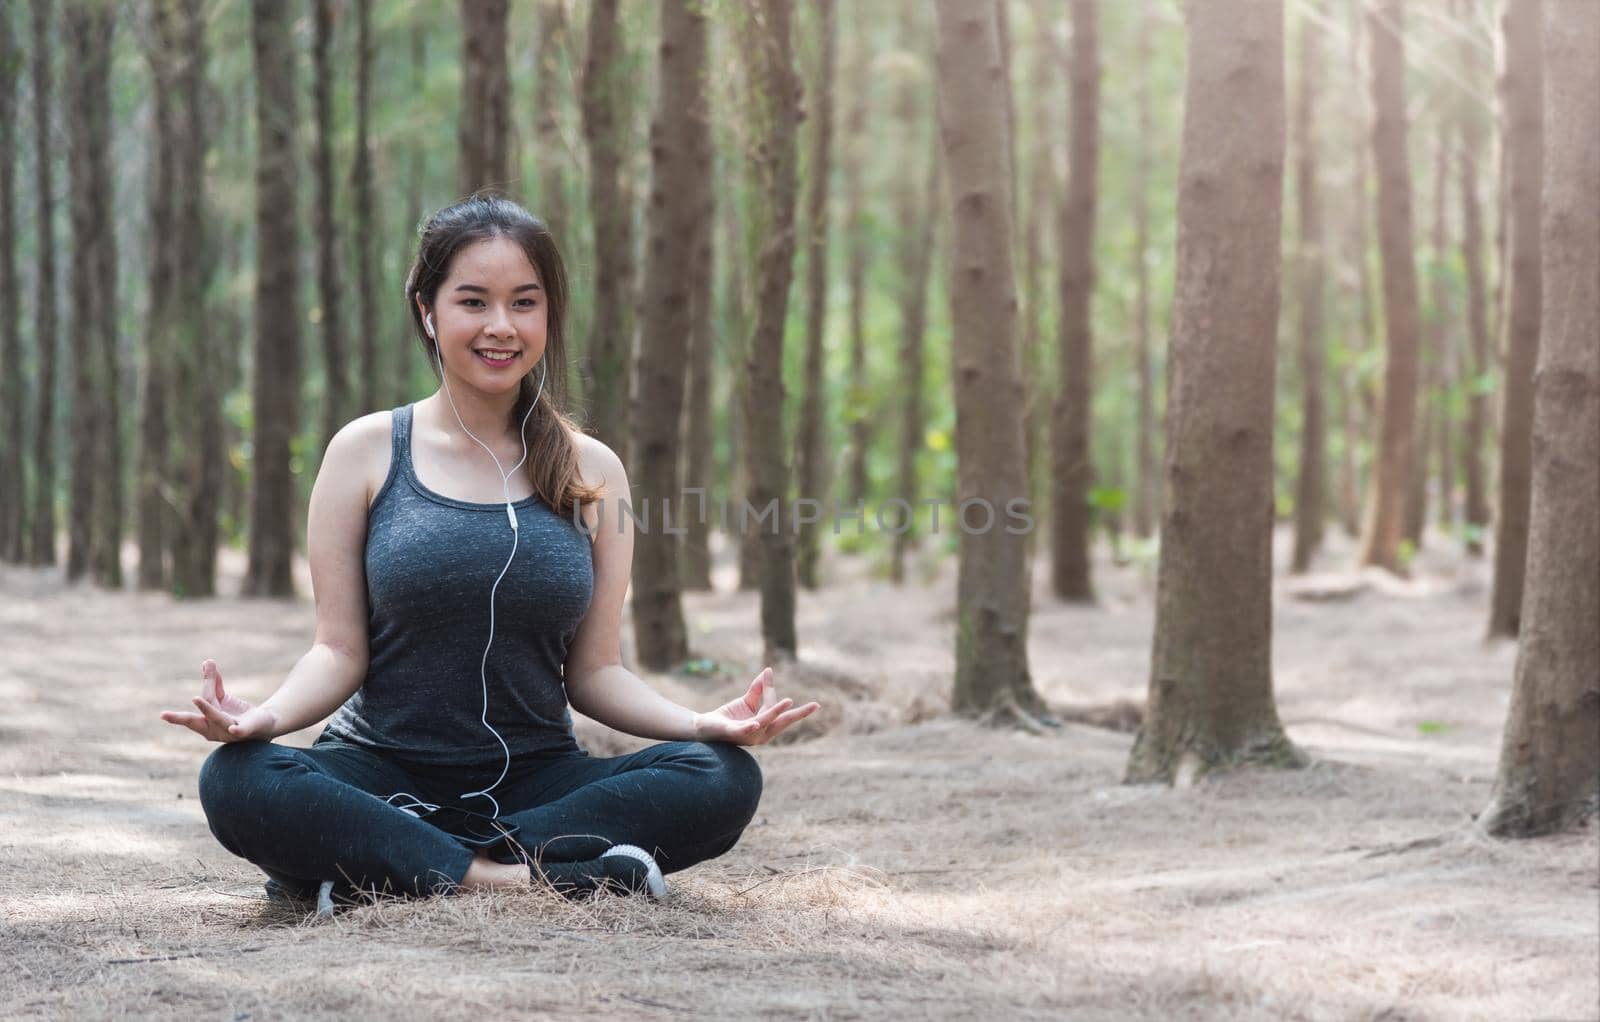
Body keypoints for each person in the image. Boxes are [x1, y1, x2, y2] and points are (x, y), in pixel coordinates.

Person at [160, 193, 819, 906]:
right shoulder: (366, 452)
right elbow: (338, 650)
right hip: (378, 771)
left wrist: (701, 723)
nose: (500, 327)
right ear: (427, 310)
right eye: (473, 301)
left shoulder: (593, 470)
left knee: (722, 776)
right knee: (235, 778)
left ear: (548, 315)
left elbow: (595, 672)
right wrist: (266, 719)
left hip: (538, 782)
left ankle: (388, 862)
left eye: (524, 303)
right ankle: (509, 877)